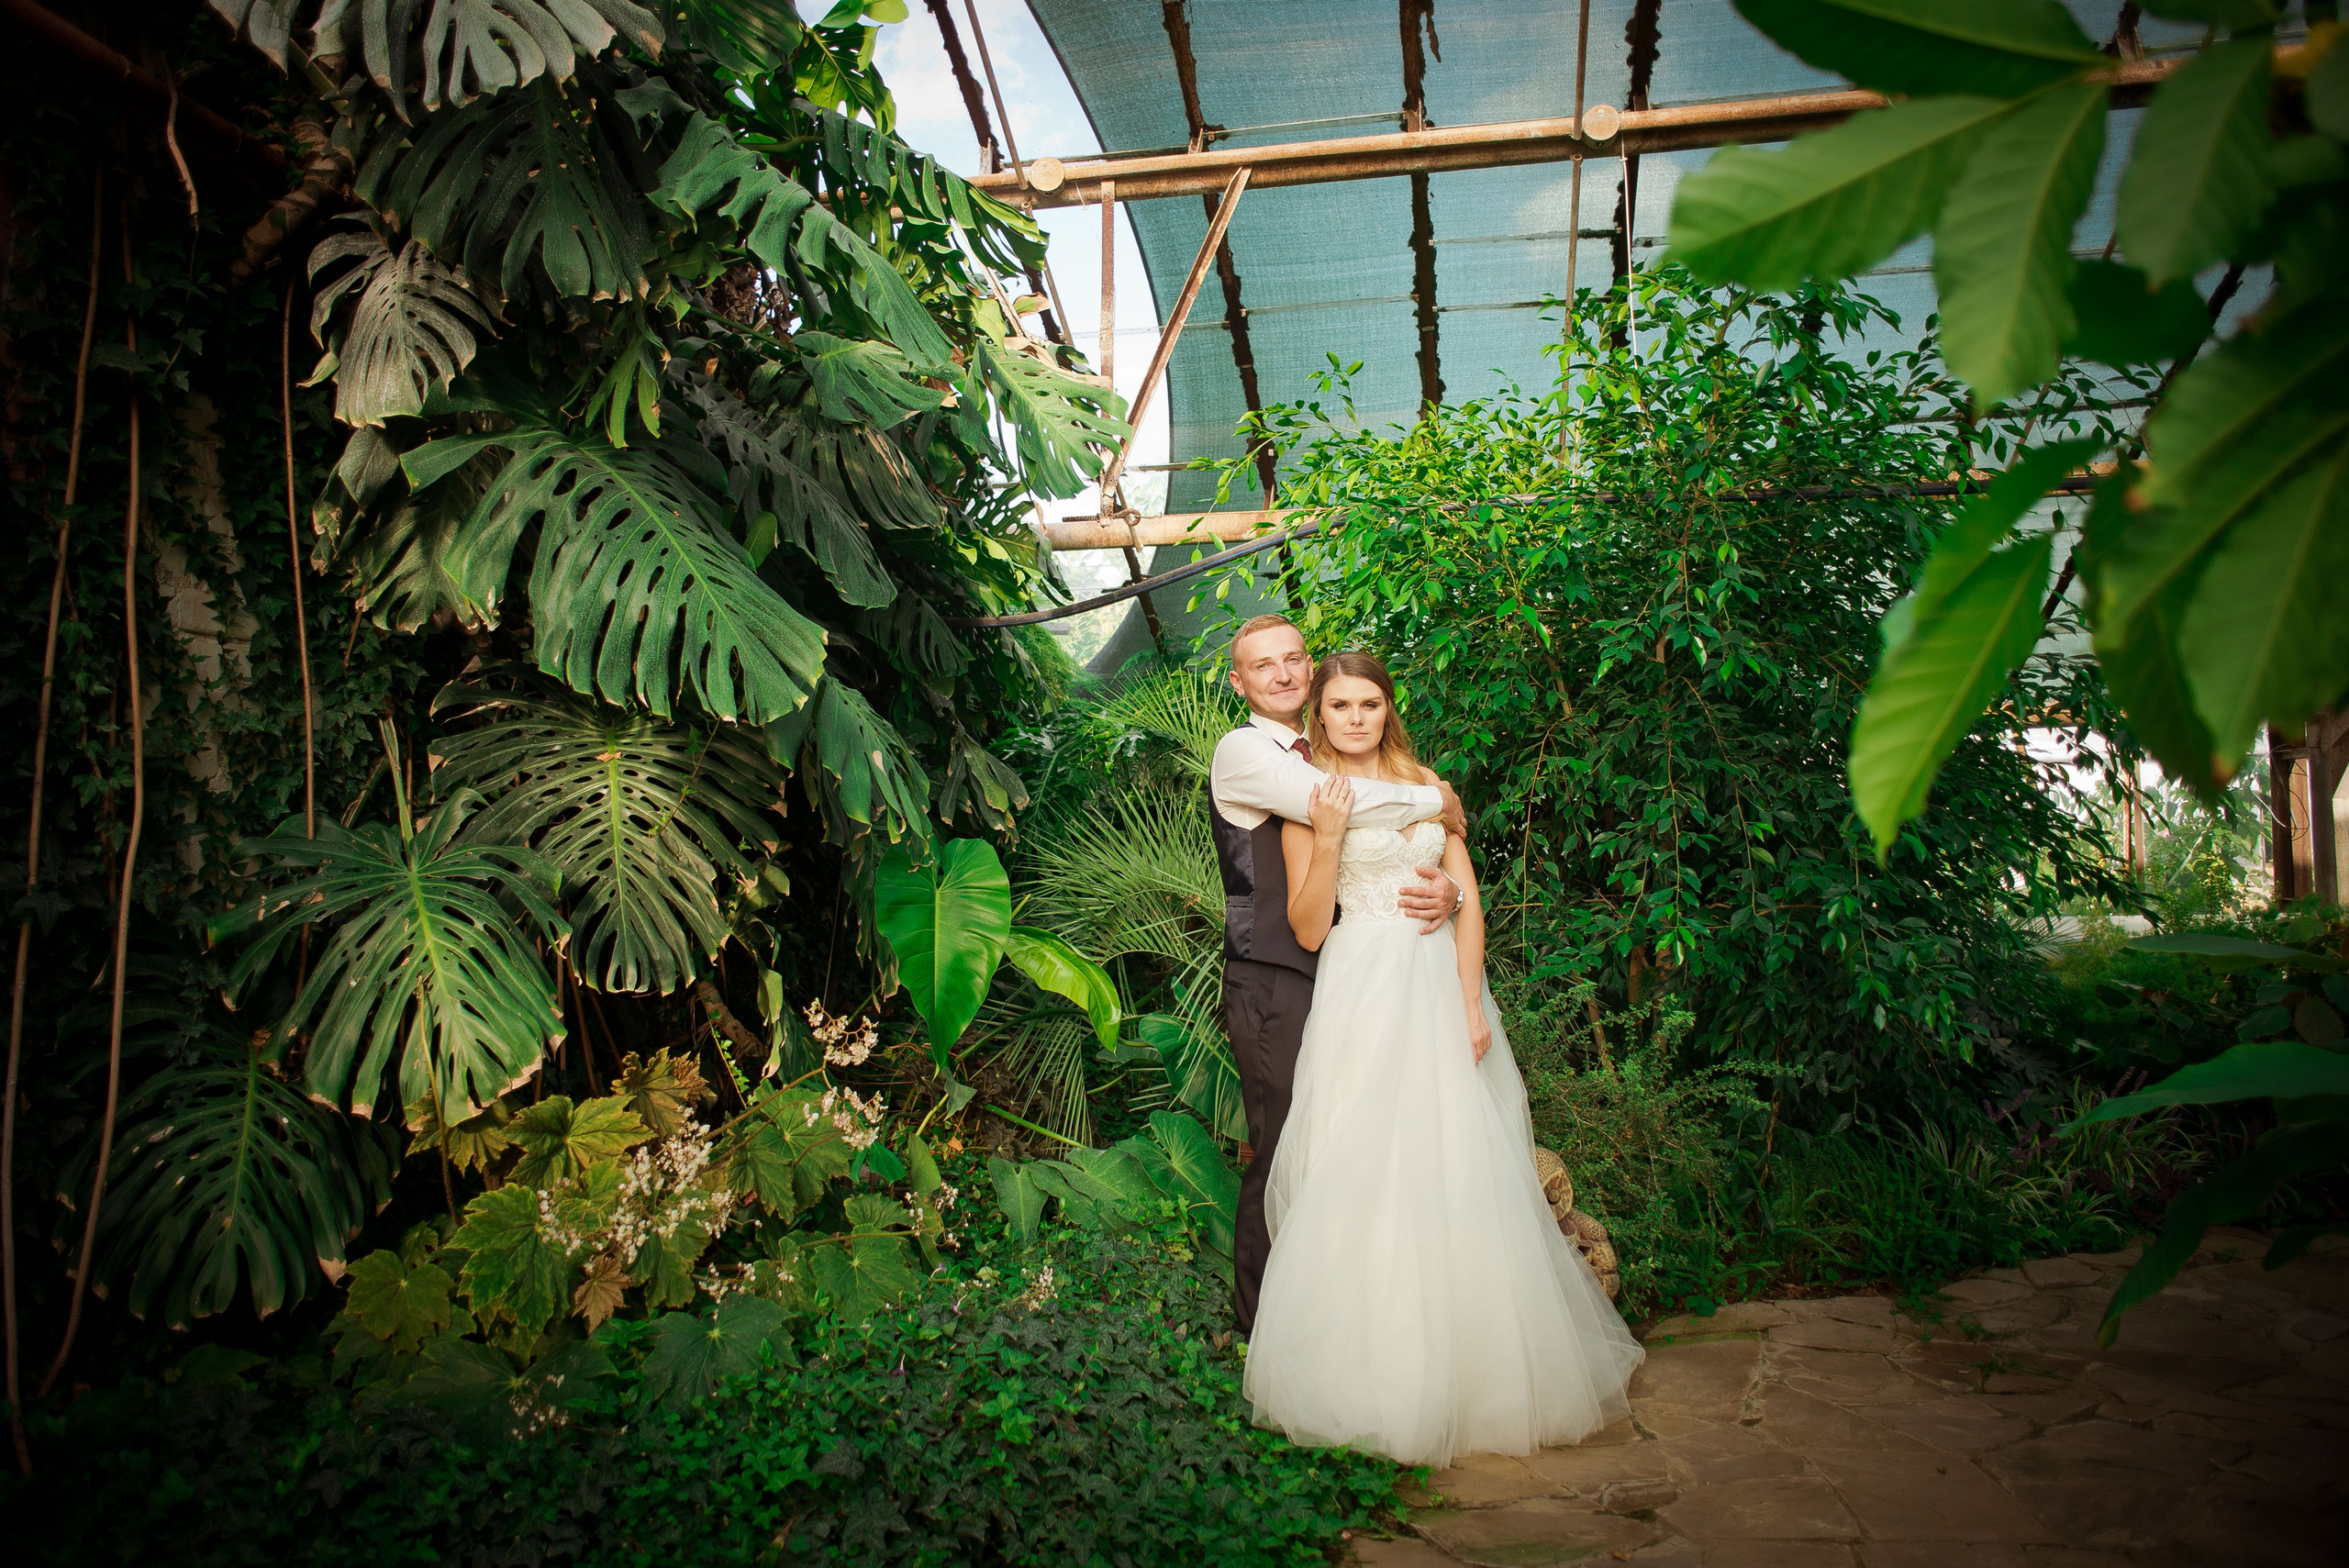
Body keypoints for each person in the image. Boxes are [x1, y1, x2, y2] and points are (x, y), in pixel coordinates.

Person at [1242, 650, 1643, 1469]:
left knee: (1457, 1165)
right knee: (1370, 1167)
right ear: (1318, 715)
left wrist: (1470, 999)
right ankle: (1374, 1379)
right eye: (1341, 705)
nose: (1356, 718)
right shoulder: (1312, 799)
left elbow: (1466, 894)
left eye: (1371, 704)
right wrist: (1324, 839)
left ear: (1388, 710)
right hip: (1364, 986)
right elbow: (1313, 926)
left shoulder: (1431, 784)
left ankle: (1475, 1375)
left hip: (1438, 988)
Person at [1209, 614, 1467, 1337]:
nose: (1284, 673)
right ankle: (1263, 1333)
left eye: (1294, 658)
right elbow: (1343, 810)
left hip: (1358, 980)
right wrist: (1439, 803)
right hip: (1276, 976)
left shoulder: (1322, 756)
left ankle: (1351, 1317)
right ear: (1239, 681)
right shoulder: (1245, 752)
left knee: (1353, 1146)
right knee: (1284, 1144)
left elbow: (1376, 825)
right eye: (1264, 665)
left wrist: (1448, 892)